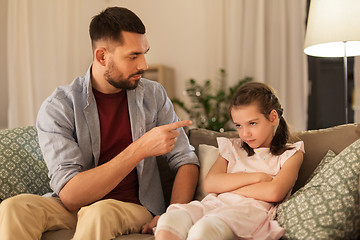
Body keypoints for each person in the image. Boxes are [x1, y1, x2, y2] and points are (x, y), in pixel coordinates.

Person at [0, 7, 199, 240]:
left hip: (133, 207)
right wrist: (140, 148)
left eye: (144, 53)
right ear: (102, 56)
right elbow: (71, 196)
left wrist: (172, 216)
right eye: (133, 56)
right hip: (75, 208)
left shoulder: (153, 95)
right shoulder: (60, 106)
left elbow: (186, 160)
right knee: (14, 208)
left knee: (99, 213)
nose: (143, 64)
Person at [155, 82, 304, 240]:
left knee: (205, 228)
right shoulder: (233, 147)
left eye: (252, 123)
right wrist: (258, 178)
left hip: (249, 213)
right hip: (215, 204)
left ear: (273, 117)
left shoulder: (291, 153)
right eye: (238, 125)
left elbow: (274, 192)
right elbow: (211, 183)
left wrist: (227, 187)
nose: (245, 133)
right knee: (170, 218)